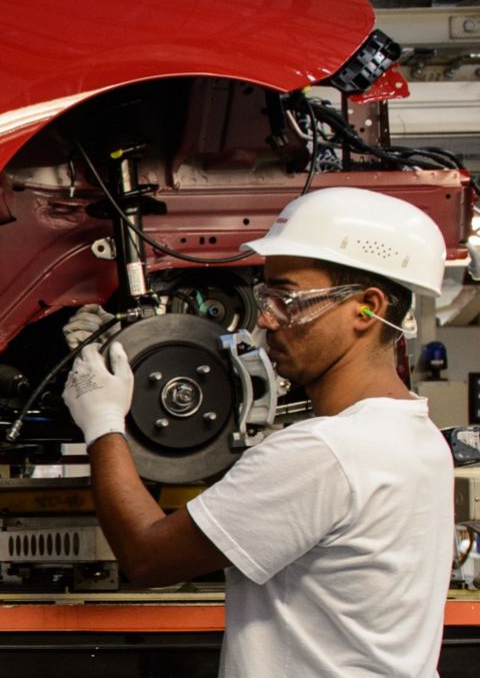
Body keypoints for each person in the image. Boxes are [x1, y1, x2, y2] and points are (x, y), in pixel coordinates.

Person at [62, 187, 454, 678]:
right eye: (266, 296)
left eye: (288, 298)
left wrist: (101, 421)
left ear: (367, 309)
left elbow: (147, 556)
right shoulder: (418, 438)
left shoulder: (323, 453)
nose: (266, 318)